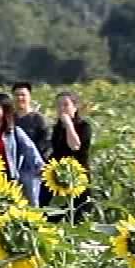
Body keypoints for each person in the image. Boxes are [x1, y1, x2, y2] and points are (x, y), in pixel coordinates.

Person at [47, 91, 95, 222]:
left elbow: (75, 146)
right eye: (58, 106)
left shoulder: (84, 126)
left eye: (65, 105)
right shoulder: (57, 128)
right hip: (59, 179)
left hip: (78, 178)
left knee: (79, 218)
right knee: (52, 217)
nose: (62, 109)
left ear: (75, 107)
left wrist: (69, 124)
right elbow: (56, 152)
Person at [11, 81, 50, 157]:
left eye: (23, 95)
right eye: (16, 95)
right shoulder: (9, 119)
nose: (19, 98)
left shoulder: (39, 120)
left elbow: (45, 145)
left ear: (29, 97)